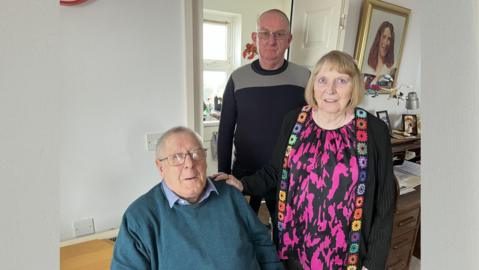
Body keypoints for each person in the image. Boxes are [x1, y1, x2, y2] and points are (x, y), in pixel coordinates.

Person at [216, 51, 396, 270]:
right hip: (296, 245)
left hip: (347, 254)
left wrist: (373, 264)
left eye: (341, 80)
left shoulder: (374, 131)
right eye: (322, 80)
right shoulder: (295, 120)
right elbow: (275, 171)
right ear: (313, 85)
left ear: (354, 86)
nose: (330, 90)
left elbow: (385, 203)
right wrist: (242, 184)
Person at [111, 126, 283, 270]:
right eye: (176, 157)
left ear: (205, 159)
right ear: (160, 167)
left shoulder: (230, 194)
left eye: (195, 154)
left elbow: (262, 244)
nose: (189, 164)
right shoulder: (139, 218)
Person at [217, 9, 310, 222]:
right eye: (265, 33)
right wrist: (224, 176)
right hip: (245, 174)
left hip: (287, 175)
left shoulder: (305, 78)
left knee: (285, 234)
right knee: (242, 232)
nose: (271, 41)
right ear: (255, 38)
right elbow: (225, 131)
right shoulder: (238, 78)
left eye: (279, 34)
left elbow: (313, 129)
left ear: (289, 39)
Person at [364, 21, 396, 85]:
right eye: (384, 37)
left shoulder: (393, 67)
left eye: (389, 39)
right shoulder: (367, 67)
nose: (385, 42)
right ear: (378, 38)